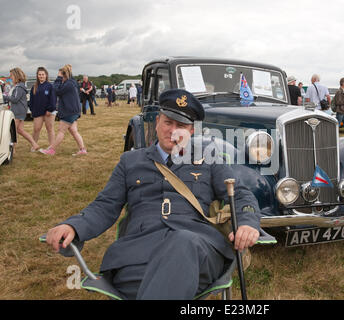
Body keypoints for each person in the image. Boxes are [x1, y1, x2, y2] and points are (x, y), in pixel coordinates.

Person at [45, 89, 260, 300]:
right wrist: (73, 225)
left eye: (182, 126)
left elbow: (240, 194)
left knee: (183, 242)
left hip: (197, 252)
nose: (173, 131)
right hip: (136, 257)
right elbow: (105, 205)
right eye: (168, 123)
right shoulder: (130, 162)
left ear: (192, 131)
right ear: (157, 122)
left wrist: (247, 222)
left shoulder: (209, 160)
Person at [39, 65, 87, 156]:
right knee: (73, 130)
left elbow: (56, 90)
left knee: (61, 131)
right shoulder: (71, 82)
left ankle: (52, 150)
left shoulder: (68, 84)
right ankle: (82, 149)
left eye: (60, 75)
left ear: (63, 75)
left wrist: (58, 78)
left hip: (69, 111)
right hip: (74, 111)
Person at [2, 67, 40, 152]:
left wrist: (4, 96)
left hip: (18, 111)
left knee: (12, 130)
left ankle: (12, 150)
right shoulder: (19, 86)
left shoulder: (19, 87)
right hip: (20, 110)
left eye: (11, 75)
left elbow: (15, 99)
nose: (10, 77)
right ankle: (34, 144)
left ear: (16, 76)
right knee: (19, 130)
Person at [29, 67, 57, 147]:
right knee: (36, 129)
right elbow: (31, 100)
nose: (41, 76)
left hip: (49, 112)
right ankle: (34, 145)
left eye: (43, 74)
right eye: (39, 74)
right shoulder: (34, 87)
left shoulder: (50, 86)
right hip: (38, 112)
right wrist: (32, 109)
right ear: (37, 76)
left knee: (50, 129)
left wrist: (49, 109)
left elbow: (53, 99)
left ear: (46, 75)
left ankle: (51, 147)